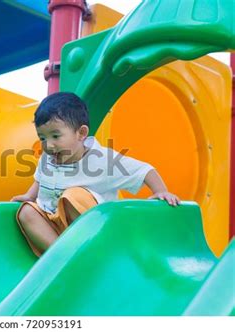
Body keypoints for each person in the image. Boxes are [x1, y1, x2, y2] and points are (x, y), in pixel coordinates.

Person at [11, 92, 180, 257]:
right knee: (25, 211)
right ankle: (61, 255)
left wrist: (160, 191)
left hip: (94, 228)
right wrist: (29, 196)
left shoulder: (102, 160)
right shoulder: (48, 157)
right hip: (54, 225)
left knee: (72, 195)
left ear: (81, 134)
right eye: (42, 138)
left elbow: (144, 170)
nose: (49, 145)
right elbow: (41, 179)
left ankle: (88, 250)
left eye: (55, 136)